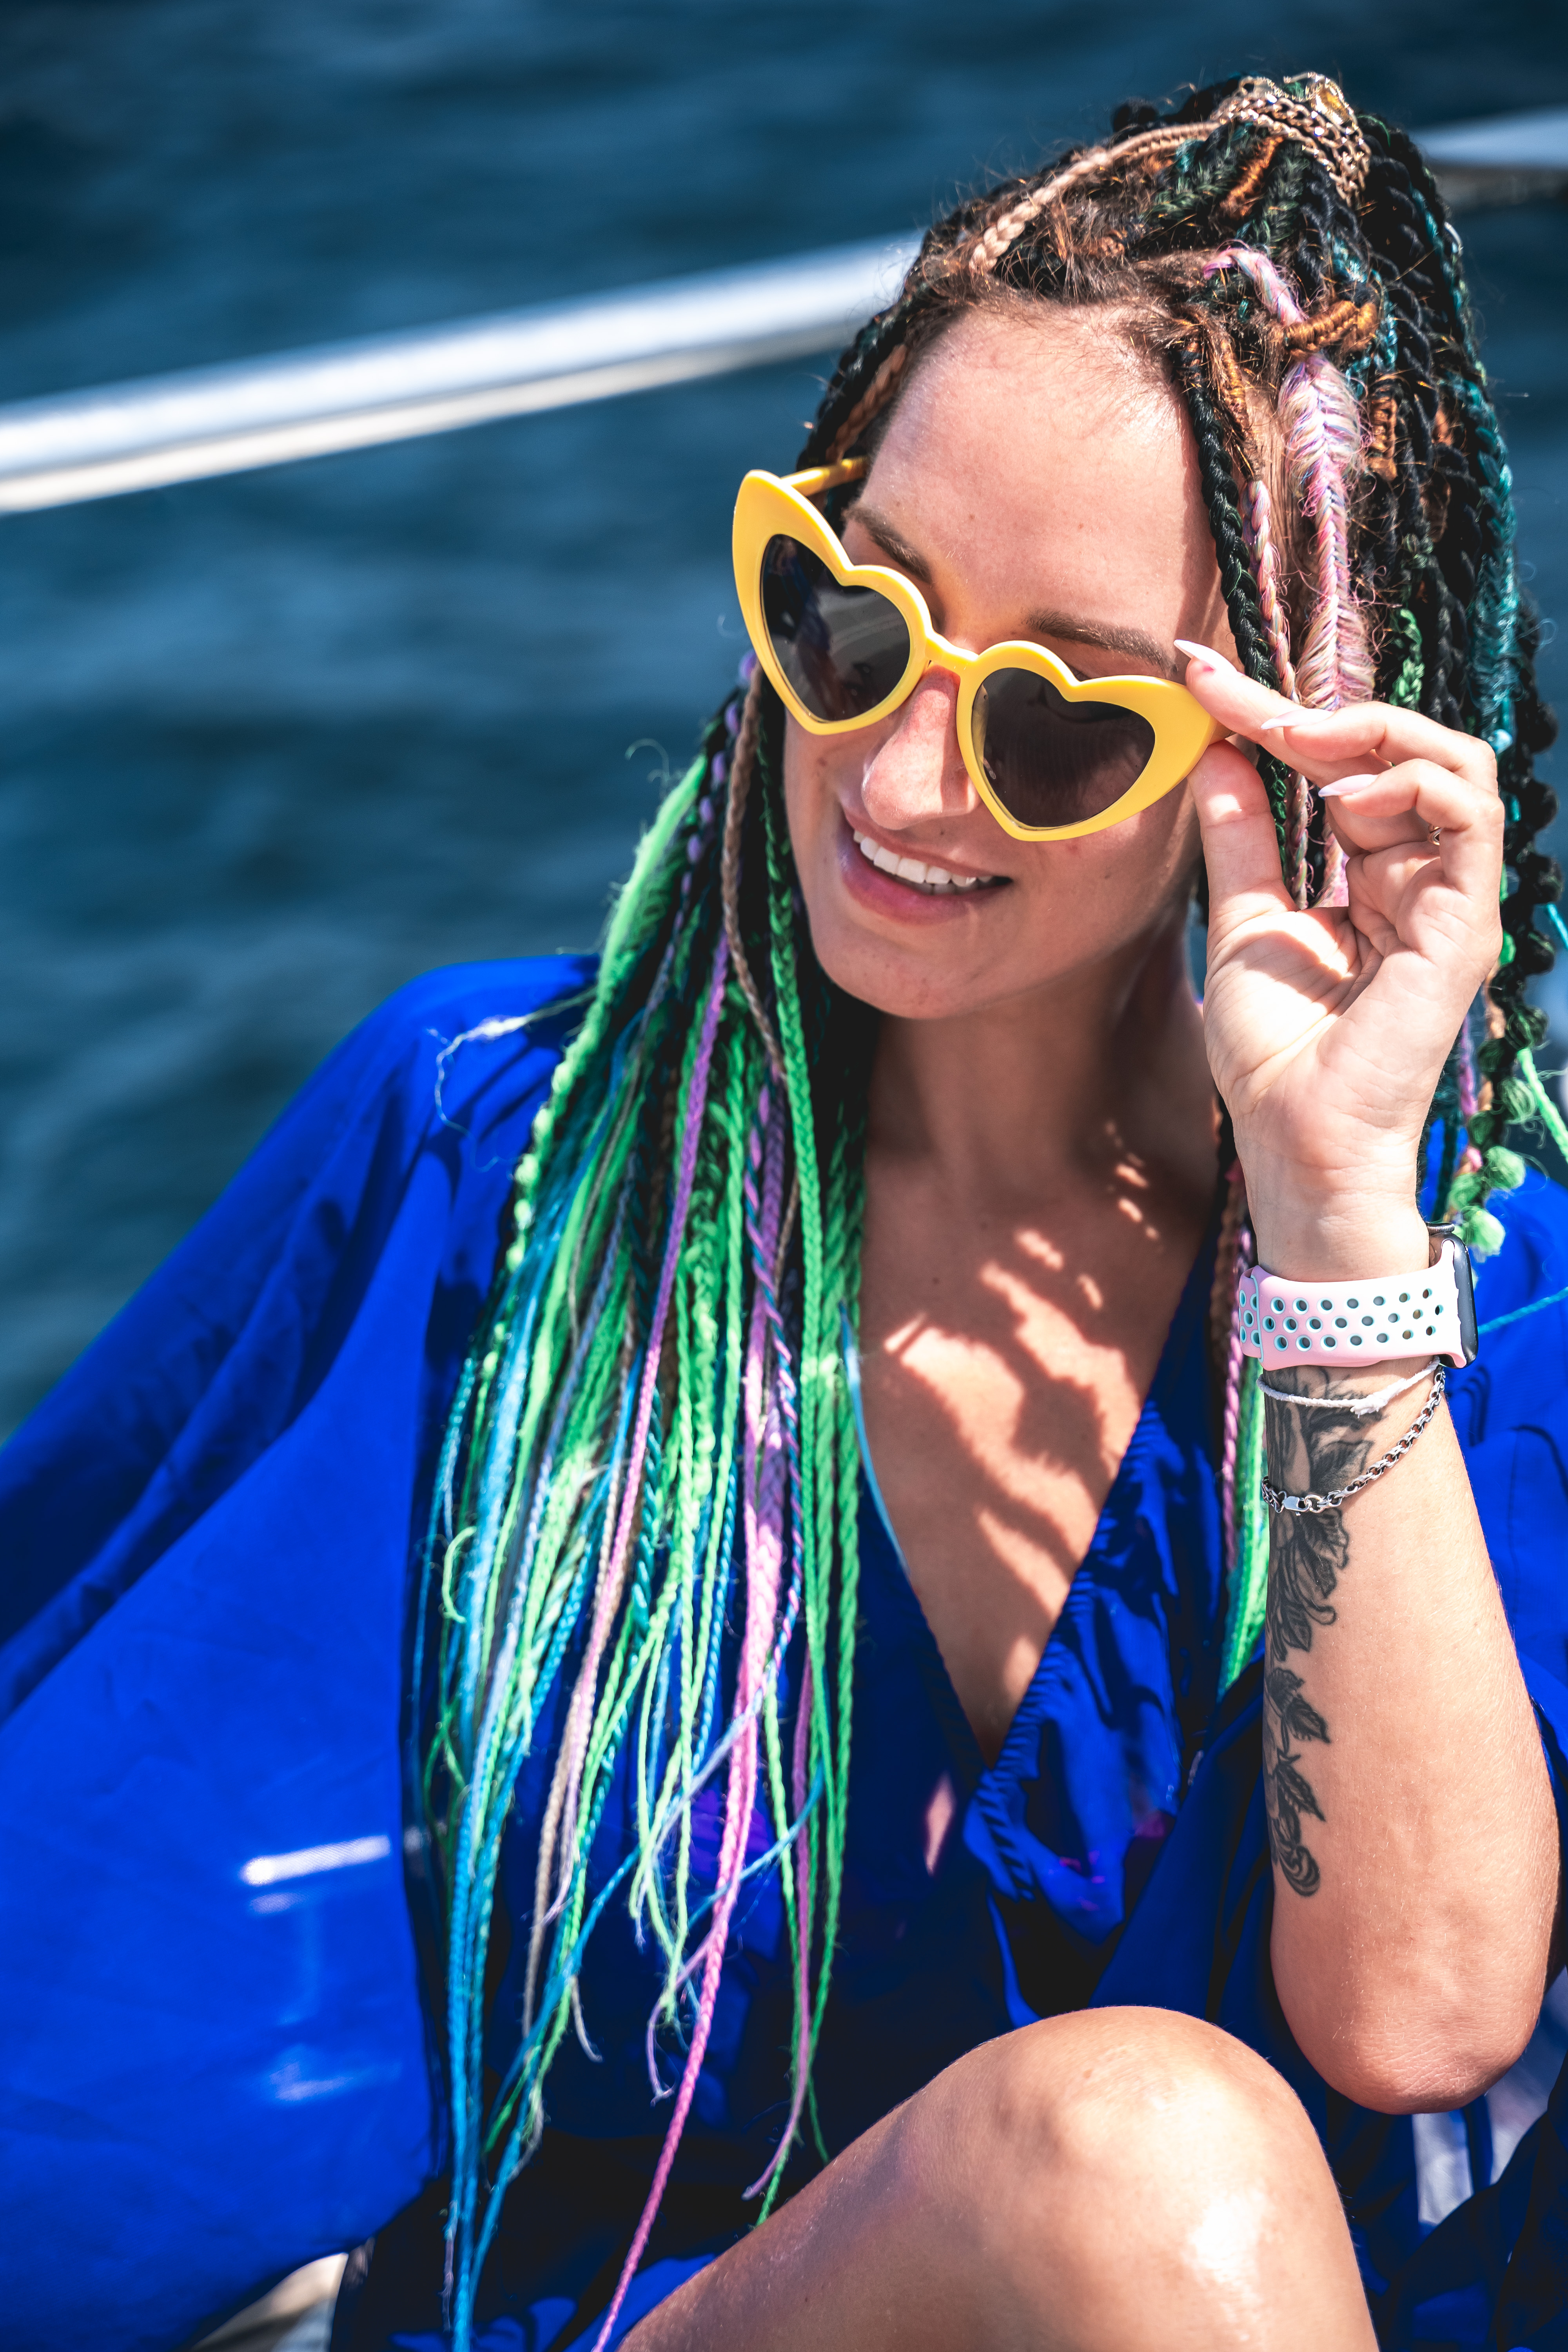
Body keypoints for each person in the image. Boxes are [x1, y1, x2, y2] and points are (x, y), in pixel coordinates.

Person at [3, 69, 1568, 2352]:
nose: (904, 773)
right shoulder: (505, 1164)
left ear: (1272, 768)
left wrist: (1331, 1202)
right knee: (1136, 2166)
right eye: (852, 617)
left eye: (1059, 721)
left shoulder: (1451, 1277)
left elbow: (1423, 2015)